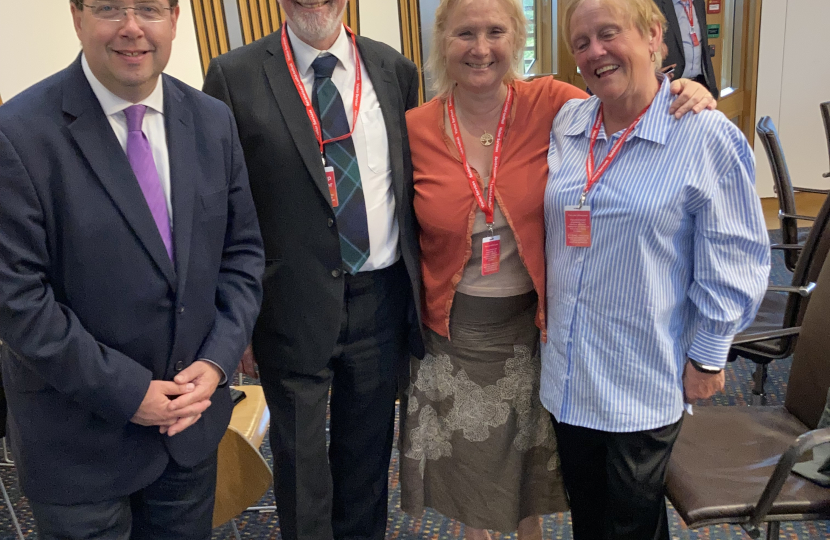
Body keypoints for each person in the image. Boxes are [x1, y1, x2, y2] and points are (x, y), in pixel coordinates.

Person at [399, 1, 717, 539]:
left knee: (529, 473)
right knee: (472, 478)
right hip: (452, 337)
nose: (480, 48)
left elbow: (627, 103)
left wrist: (684, 91)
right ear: (442, 40)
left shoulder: (554, 105)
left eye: (496, 31)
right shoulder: (413, 128)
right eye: (465, 34)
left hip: (536, 334)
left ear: (517, 38)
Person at [0, 1, 264, 538]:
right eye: (109, 8)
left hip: (189, 431)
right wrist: (128, 393)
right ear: (76, 17)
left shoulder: (212, 121)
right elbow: (19, 301)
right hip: (79, 444)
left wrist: (215, 362)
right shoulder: (18, 134)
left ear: (175, 19)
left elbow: (242, 257)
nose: (131, 27)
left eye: (149, 8)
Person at [542, 0, 770, 539]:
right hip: (568, 375)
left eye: (609, 33)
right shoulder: (569, 123)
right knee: (591, 520)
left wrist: (711, 351)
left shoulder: (702, 135)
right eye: (581, 42)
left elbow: (734, 253)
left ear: (653, 38)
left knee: (629, 525)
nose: (595, 51)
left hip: (642, 376)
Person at [201, 1, 423, 540]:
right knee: (301, 467)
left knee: (367, 461)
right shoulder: (233, 76)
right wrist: (236, 322)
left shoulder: (395, 69)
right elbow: (219, 212)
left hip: (381, 297)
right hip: (288, 304)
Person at [657, 0, 719, 96]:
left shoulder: (698, 3)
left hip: (700, 84)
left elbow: (703, 47)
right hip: (671, 87)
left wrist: (712, 86)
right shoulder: (655, 4)